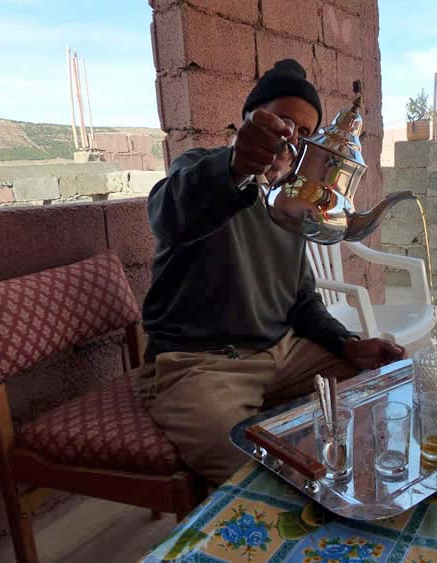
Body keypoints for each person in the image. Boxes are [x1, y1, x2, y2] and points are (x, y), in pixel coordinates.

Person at [137, 59, 405, 485]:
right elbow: (168, 215)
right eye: (282, 121)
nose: (291, 138)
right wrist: (236, 167)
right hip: (200, 363)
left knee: (376, 393)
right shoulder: (203, 170)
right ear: (249, 120)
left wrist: (347, 344)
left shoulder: (291, 204)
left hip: (281, 353)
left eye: (304, 131)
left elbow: (301, 300)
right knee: (251, 469)